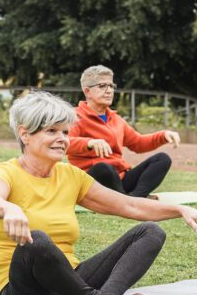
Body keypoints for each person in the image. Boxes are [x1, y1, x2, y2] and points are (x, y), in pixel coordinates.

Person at [0, 90, 197, 295]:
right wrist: (9, 208)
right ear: (24, 134)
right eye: (51, 131)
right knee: (35, 241)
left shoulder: (71, 176)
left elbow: (129, 205)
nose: (62, 138)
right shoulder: (7, 172)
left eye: (65, 132)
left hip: (69, 289)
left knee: (150, 232)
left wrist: (180, 209)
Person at [66, 65, 180, 197]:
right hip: (92, 181)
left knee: (162, 159)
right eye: (102, 86)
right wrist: (89, 143)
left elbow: (138, 143)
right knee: (104, 167)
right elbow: (64, 142)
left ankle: (135, 197)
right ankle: (125, 200)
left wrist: (164, 136)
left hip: (120, 179)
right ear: (87, 91)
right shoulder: (74, 116)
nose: (109, 91)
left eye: (111, 86)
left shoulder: (117, 120)